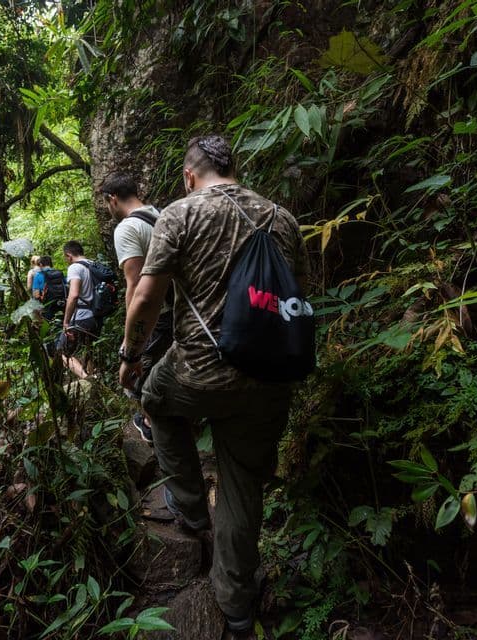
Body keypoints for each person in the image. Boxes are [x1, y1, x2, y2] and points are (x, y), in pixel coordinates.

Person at [117, 135, 310, 635]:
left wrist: (130, 357)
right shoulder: (283, 219)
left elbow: (146, 299)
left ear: (189, 175)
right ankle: (236, 605)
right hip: (269, 375)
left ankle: (187, 504)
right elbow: (299, 297)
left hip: (198, 369)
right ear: (233, 168)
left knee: (155, 399)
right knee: (243, 482)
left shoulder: (180, 214)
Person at [101, 170, 172, 444]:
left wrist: (129, 344)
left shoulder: (127, 227)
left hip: (156, 315)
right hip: (180, 310)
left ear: (113, 199)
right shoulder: (162, 215)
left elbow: (135, 285)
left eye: (107, 204)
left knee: (135, 378)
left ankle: (153, 426)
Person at [58, 240, 101, 379]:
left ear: (69, 255)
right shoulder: (93, 264)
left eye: (66, 258)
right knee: (89, 348)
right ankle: (94, 376)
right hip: (96, 316)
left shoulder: (75, 267)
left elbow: (74, 295)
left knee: (61, 352)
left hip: (81, 317)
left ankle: (86, 378)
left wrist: (66, 322)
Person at [32, 255, 66, 324]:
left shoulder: (38, 275)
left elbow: (36, 295)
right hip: (62, 304)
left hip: (47, 306)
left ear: (41, 264)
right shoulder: (59, 273)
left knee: (48, 325)